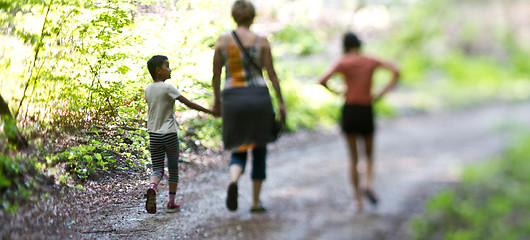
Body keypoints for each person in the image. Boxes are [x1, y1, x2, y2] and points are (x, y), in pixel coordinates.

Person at [211, 0, 286, 213]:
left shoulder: (222, 41)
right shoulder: (262, 41)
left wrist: (217, 102)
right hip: (258, 97)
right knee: (259, 149)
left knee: (239, 146)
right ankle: (255, 202)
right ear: (253, 17)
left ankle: (234, 180)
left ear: (234, 17)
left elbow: (216, 75)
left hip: (233, 98)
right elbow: (271, 74)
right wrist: (281, 101)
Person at [318, 32, 399, 212]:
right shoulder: (370, 60)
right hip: (366, 108)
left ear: (345, 46)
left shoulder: (342, 62)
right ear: (359, 45)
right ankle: (368, 183)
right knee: (368, 154)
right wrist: (381, 93)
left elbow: (322, 80)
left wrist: (339, 92)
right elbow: (396, 70)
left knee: (353, 158)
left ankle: (357, 200)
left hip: (349, 109)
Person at [144, 55, 213, 214]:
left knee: (158, 169)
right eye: (167, 66)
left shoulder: (148, 89)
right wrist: (209, 111)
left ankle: (152, 186)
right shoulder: (169, 88)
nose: (170, 69)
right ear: (158, 71)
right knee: (173, 168)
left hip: (154, 134)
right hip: (169, 134)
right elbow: (189, 103)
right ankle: (171, 202)